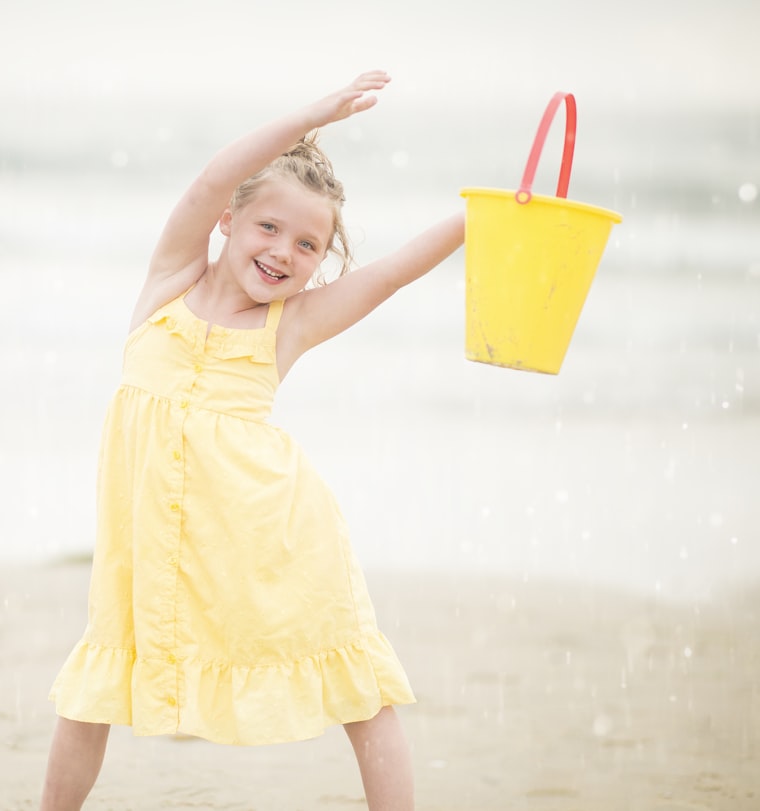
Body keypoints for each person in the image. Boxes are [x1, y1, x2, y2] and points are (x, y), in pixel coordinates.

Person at [39, 70, 465, 811]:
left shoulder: (289, 324)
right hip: (152, 540)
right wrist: (312, 115)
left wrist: (480, 220)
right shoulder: (170, 279)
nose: (283, 252)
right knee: (97, 678)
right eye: (269, 227)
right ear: (228, 223)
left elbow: (392, 274)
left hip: (268, 535)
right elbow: (212, 179)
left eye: (308, 244)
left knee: (357, 679)